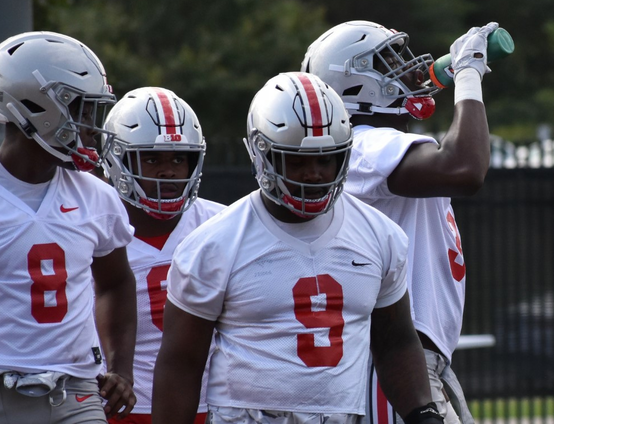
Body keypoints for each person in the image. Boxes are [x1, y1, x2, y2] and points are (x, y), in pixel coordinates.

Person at [152, 72, 445, 424]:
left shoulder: (380, 234)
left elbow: (395, 341)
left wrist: (423, 414)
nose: (314, 174)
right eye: (298, 160)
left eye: (325, 159)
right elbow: (181, 363)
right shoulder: (213, 243)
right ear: (262, 155)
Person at [0, 31, 138, 424]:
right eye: (81, 110)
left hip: (79, 394)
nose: (91, 126)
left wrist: (121, 367)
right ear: (36, 107)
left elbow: (117, 282)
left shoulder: (96, 197)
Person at [301, 21, 499, 424]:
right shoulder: (364, 143)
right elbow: (465, 169)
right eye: (389, 61)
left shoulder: (382, 145)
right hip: (393, 364)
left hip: (411, 358)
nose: (408, 69)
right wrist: (468, 76)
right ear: (355, 83)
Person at [94, 86, 226, 423]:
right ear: (117, 159)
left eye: (178, 159)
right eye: (152, 158)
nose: (168, 172)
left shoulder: (222, 224)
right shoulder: (90, 227)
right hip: (120, 407)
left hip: (210, 405)